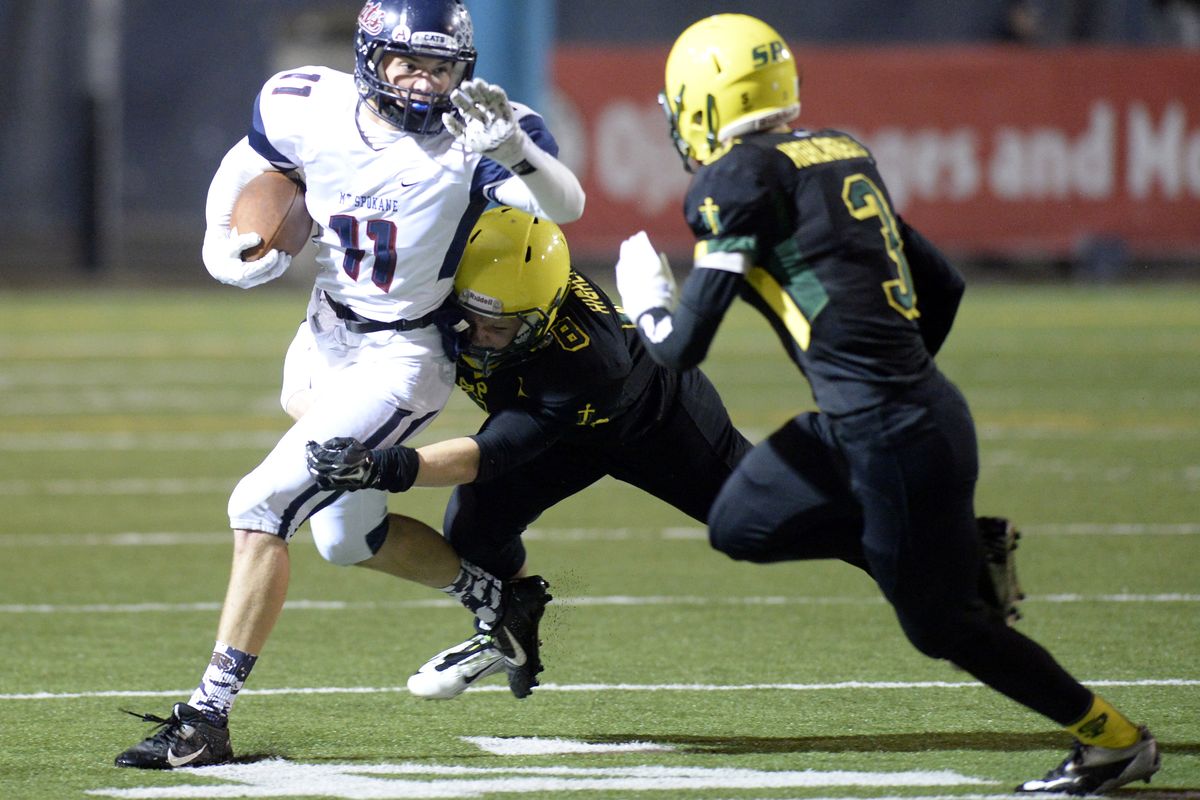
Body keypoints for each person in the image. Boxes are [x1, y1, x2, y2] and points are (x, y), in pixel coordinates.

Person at [611, 13, 1160, 797]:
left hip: (889, 431)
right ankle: (954, 547)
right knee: (740, 522)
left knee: (944, 629)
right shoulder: (840, 152)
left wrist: (646, 303)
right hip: (890, 416)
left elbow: (680, 347)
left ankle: (1112, 741)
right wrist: (882, 380)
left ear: (701, 105)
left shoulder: (734, 180)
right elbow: (943, 284)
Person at [114, 0, 583, 770]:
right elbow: (252, 164)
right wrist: (224, 243)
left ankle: (206, 717)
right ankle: (501, 601)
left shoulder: (483, 131)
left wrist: (516, 152)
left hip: (403, 358)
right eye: (409, 62)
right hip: (325, 334)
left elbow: (564, 207)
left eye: (442, 64)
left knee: (260, 504)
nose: (427, 80)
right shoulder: (307, 100)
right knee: (345, 536)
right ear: (370, 56)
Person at [304, 207, 1025, 701]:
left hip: (653, 419)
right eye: (475, 314)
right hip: (557, 425)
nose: (477, 332)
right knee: (475, 531)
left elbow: (489, 453)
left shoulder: (587, 360)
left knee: (780, 523)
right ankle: (516, 613)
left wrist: (389, 468)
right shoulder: (476, 287)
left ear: (543, 317)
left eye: (499, 324)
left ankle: (959, 552)